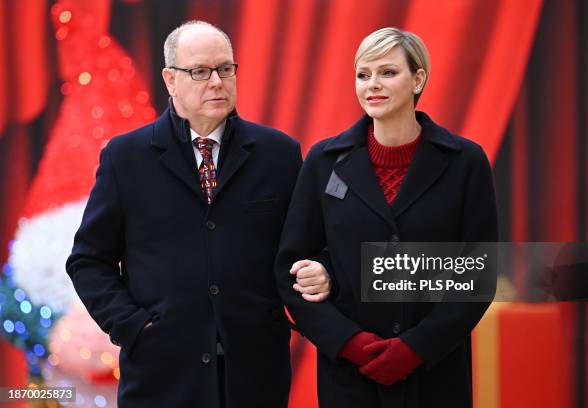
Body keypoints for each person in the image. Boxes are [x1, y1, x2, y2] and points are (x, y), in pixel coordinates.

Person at [66, 20, 331, 408]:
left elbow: (313, 243)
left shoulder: (279, 154)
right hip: (160, 374)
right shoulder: (126, 158)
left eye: (225, 69)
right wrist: (133, 326)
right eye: (200, 71)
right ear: (171, 80)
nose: (217, 82)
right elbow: (88, 260)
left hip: (256, 374)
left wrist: (320, 269)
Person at [275, 27, 498, 407]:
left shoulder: (466, 162)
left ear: (418, 79)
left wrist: (416, 348)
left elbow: (477, 272)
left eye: (387, 72)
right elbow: (291, 269)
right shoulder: (323, 160)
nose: (372, 85)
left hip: (435, 376)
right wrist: (350, 343)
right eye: (363, 75)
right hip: (349, 378)